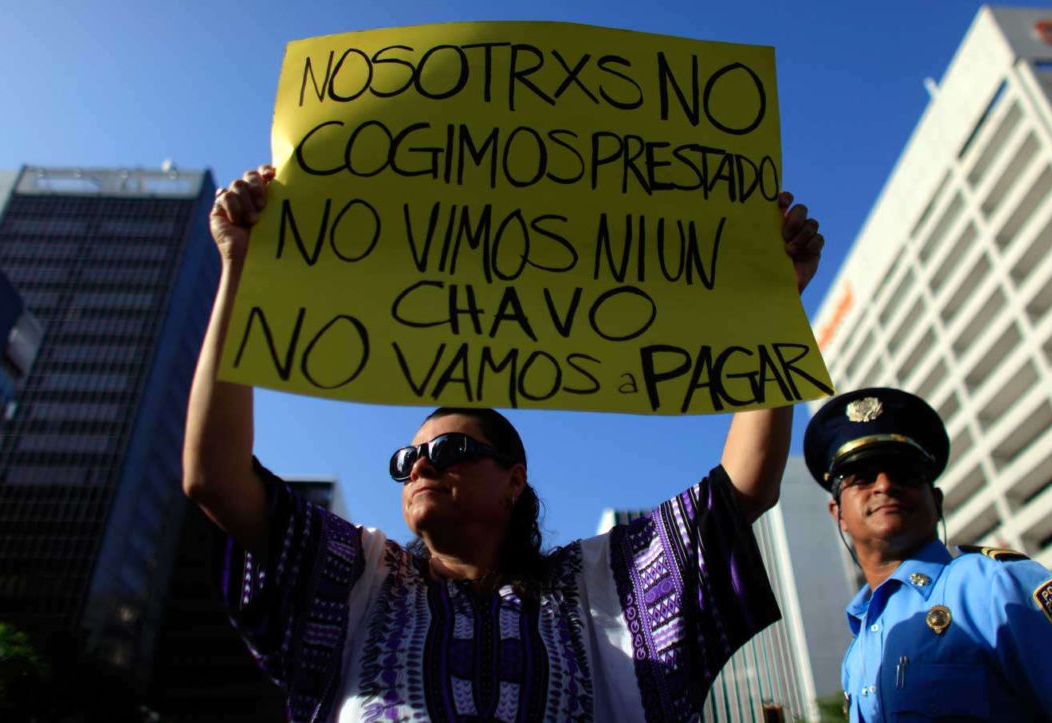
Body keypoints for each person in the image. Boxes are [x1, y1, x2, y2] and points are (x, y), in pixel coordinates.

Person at [183, 164, 826, 722]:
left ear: (515, 480)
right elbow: (213, 477)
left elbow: (744, 487)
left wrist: (778, 302)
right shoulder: (360, 578)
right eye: (408, 460)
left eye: (451, 452)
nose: (421, 468)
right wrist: (238, 264)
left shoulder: (596, 587)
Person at [804, 387, 1052, 722]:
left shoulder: (994, 582)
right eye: (862, 478)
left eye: (905, 473)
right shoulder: (856, 651)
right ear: (838, 514)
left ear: (936, 501)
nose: (885, 485)